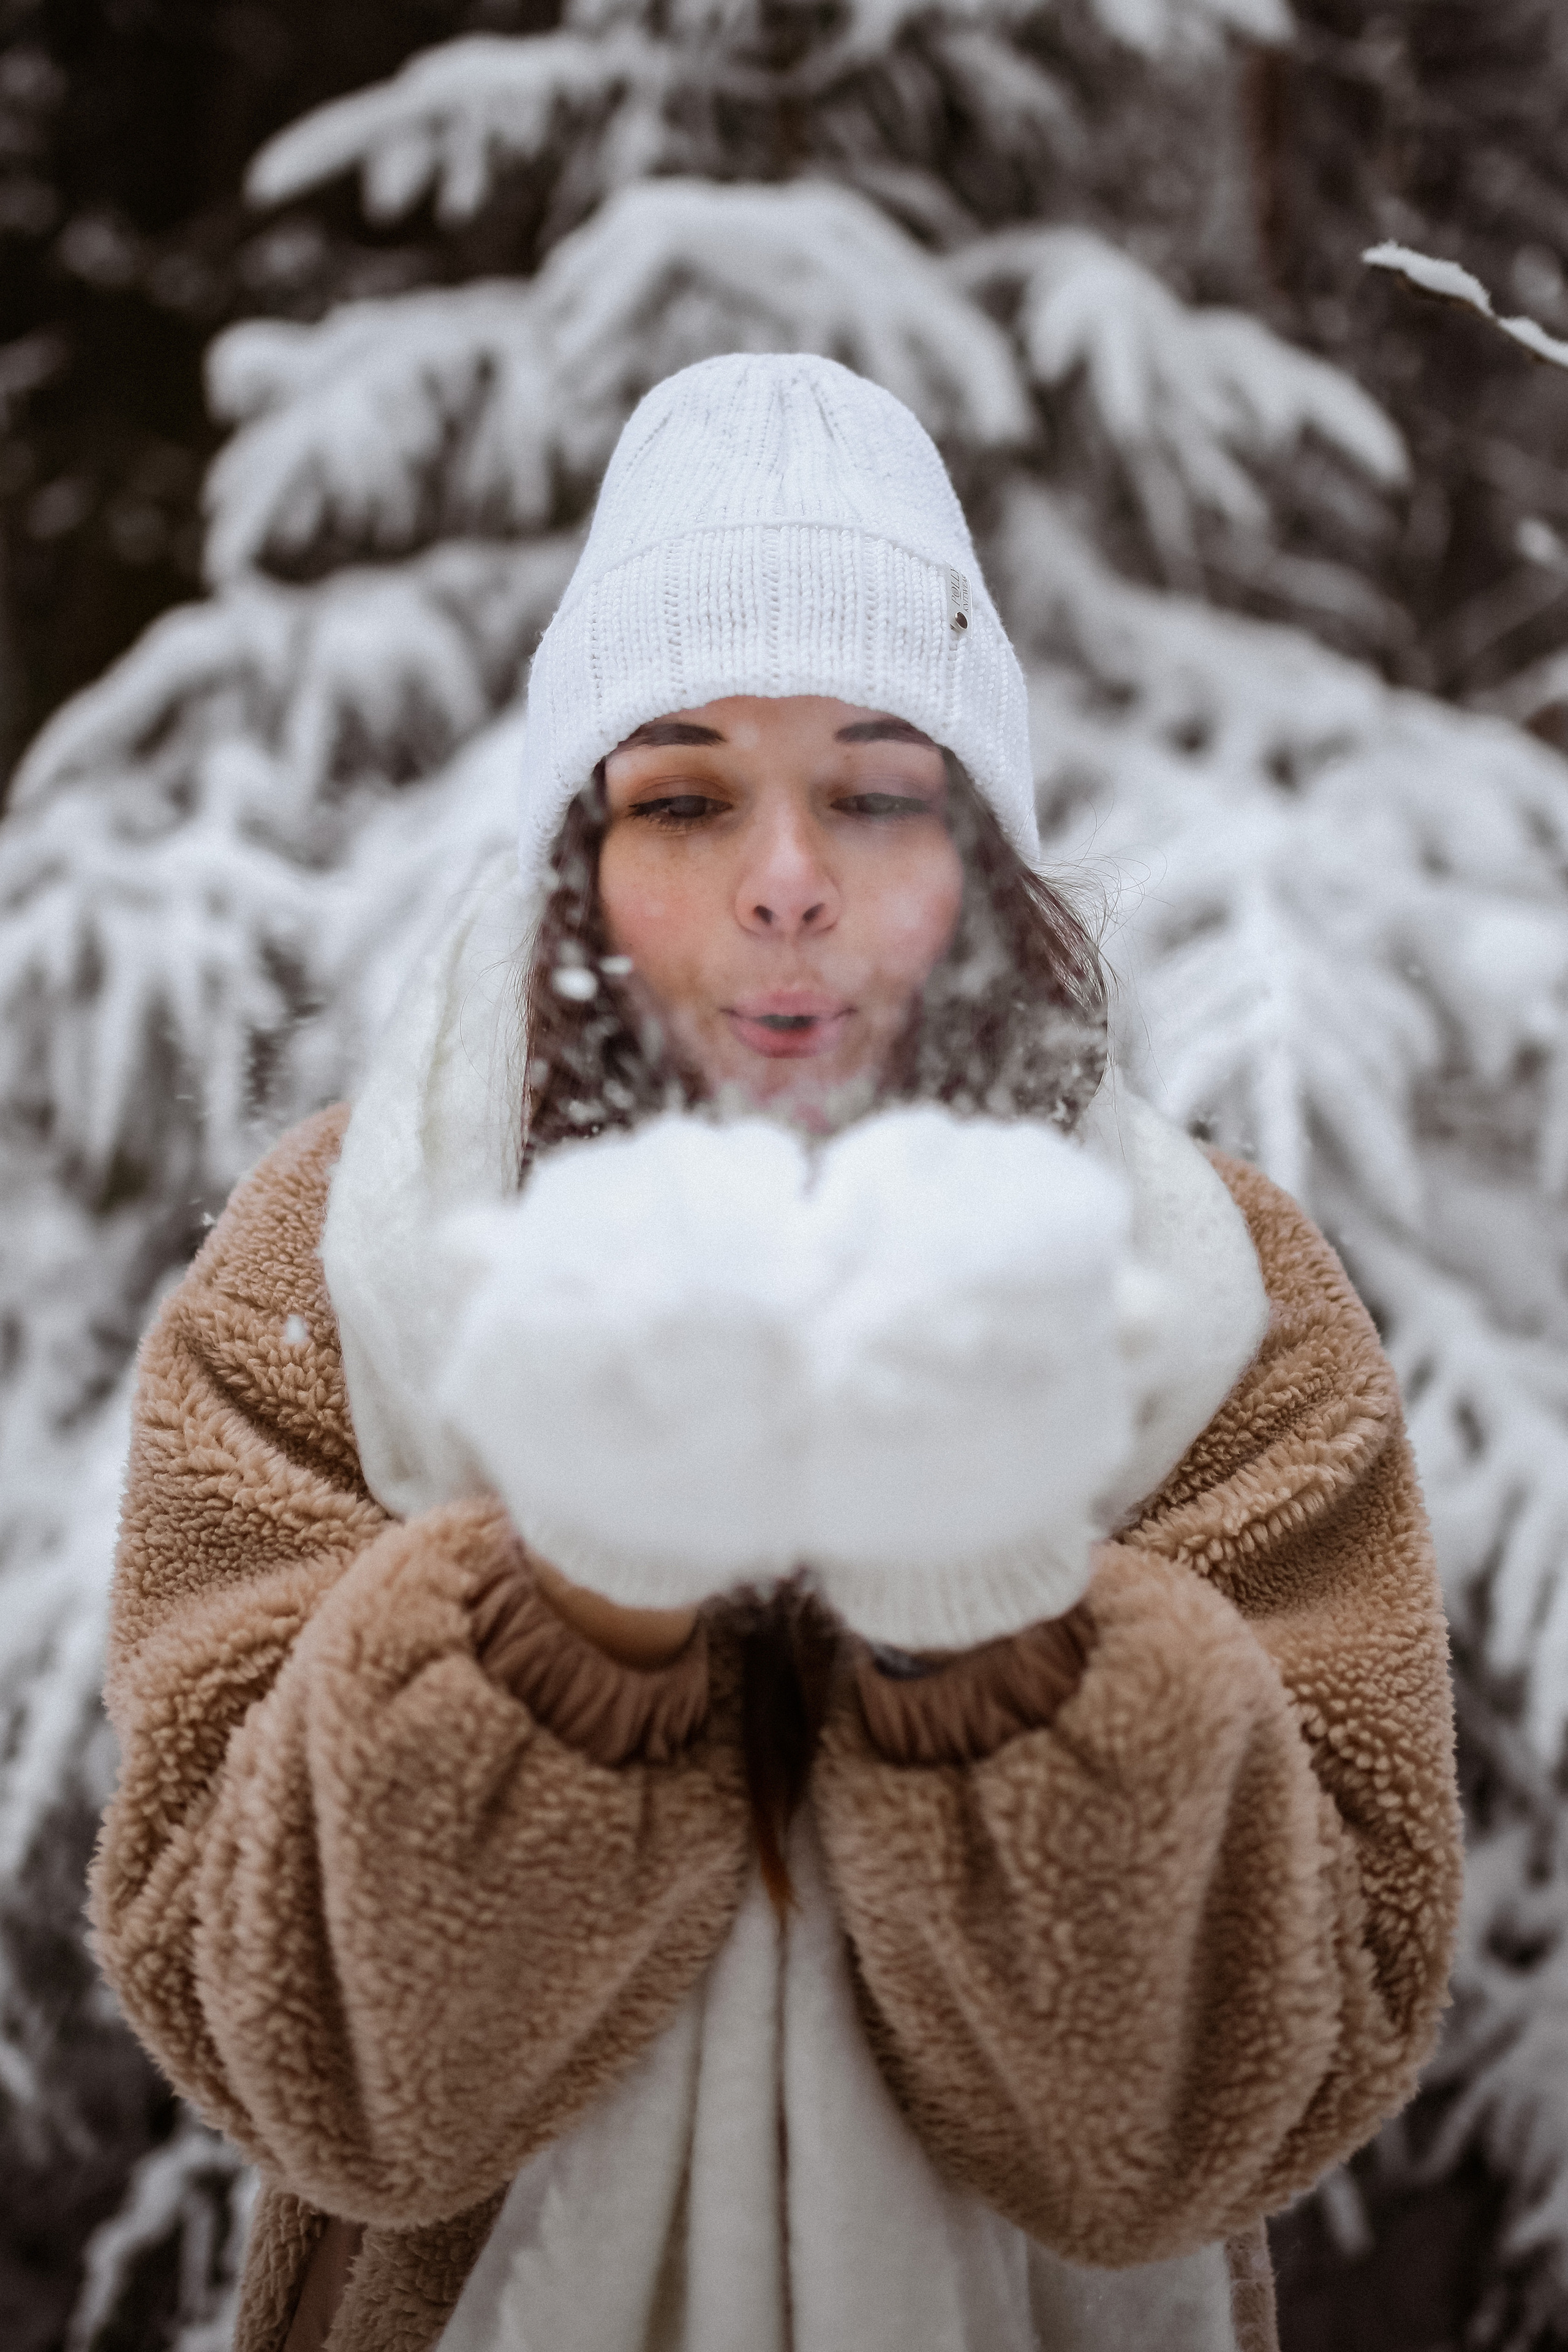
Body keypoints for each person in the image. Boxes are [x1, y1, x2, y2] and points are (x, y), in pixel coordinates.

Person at [90, 354, 1463, 2352]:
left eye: (877, 790)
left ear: (979, 861)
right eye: (686, 795)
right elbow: (322, 2080)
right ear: (580, 858)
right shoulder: (337, 1274)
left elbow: (1206, 2117)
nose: (787, 877)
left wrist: (983, 1612)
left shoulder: (1213, 1311)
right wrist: (575, 1601)